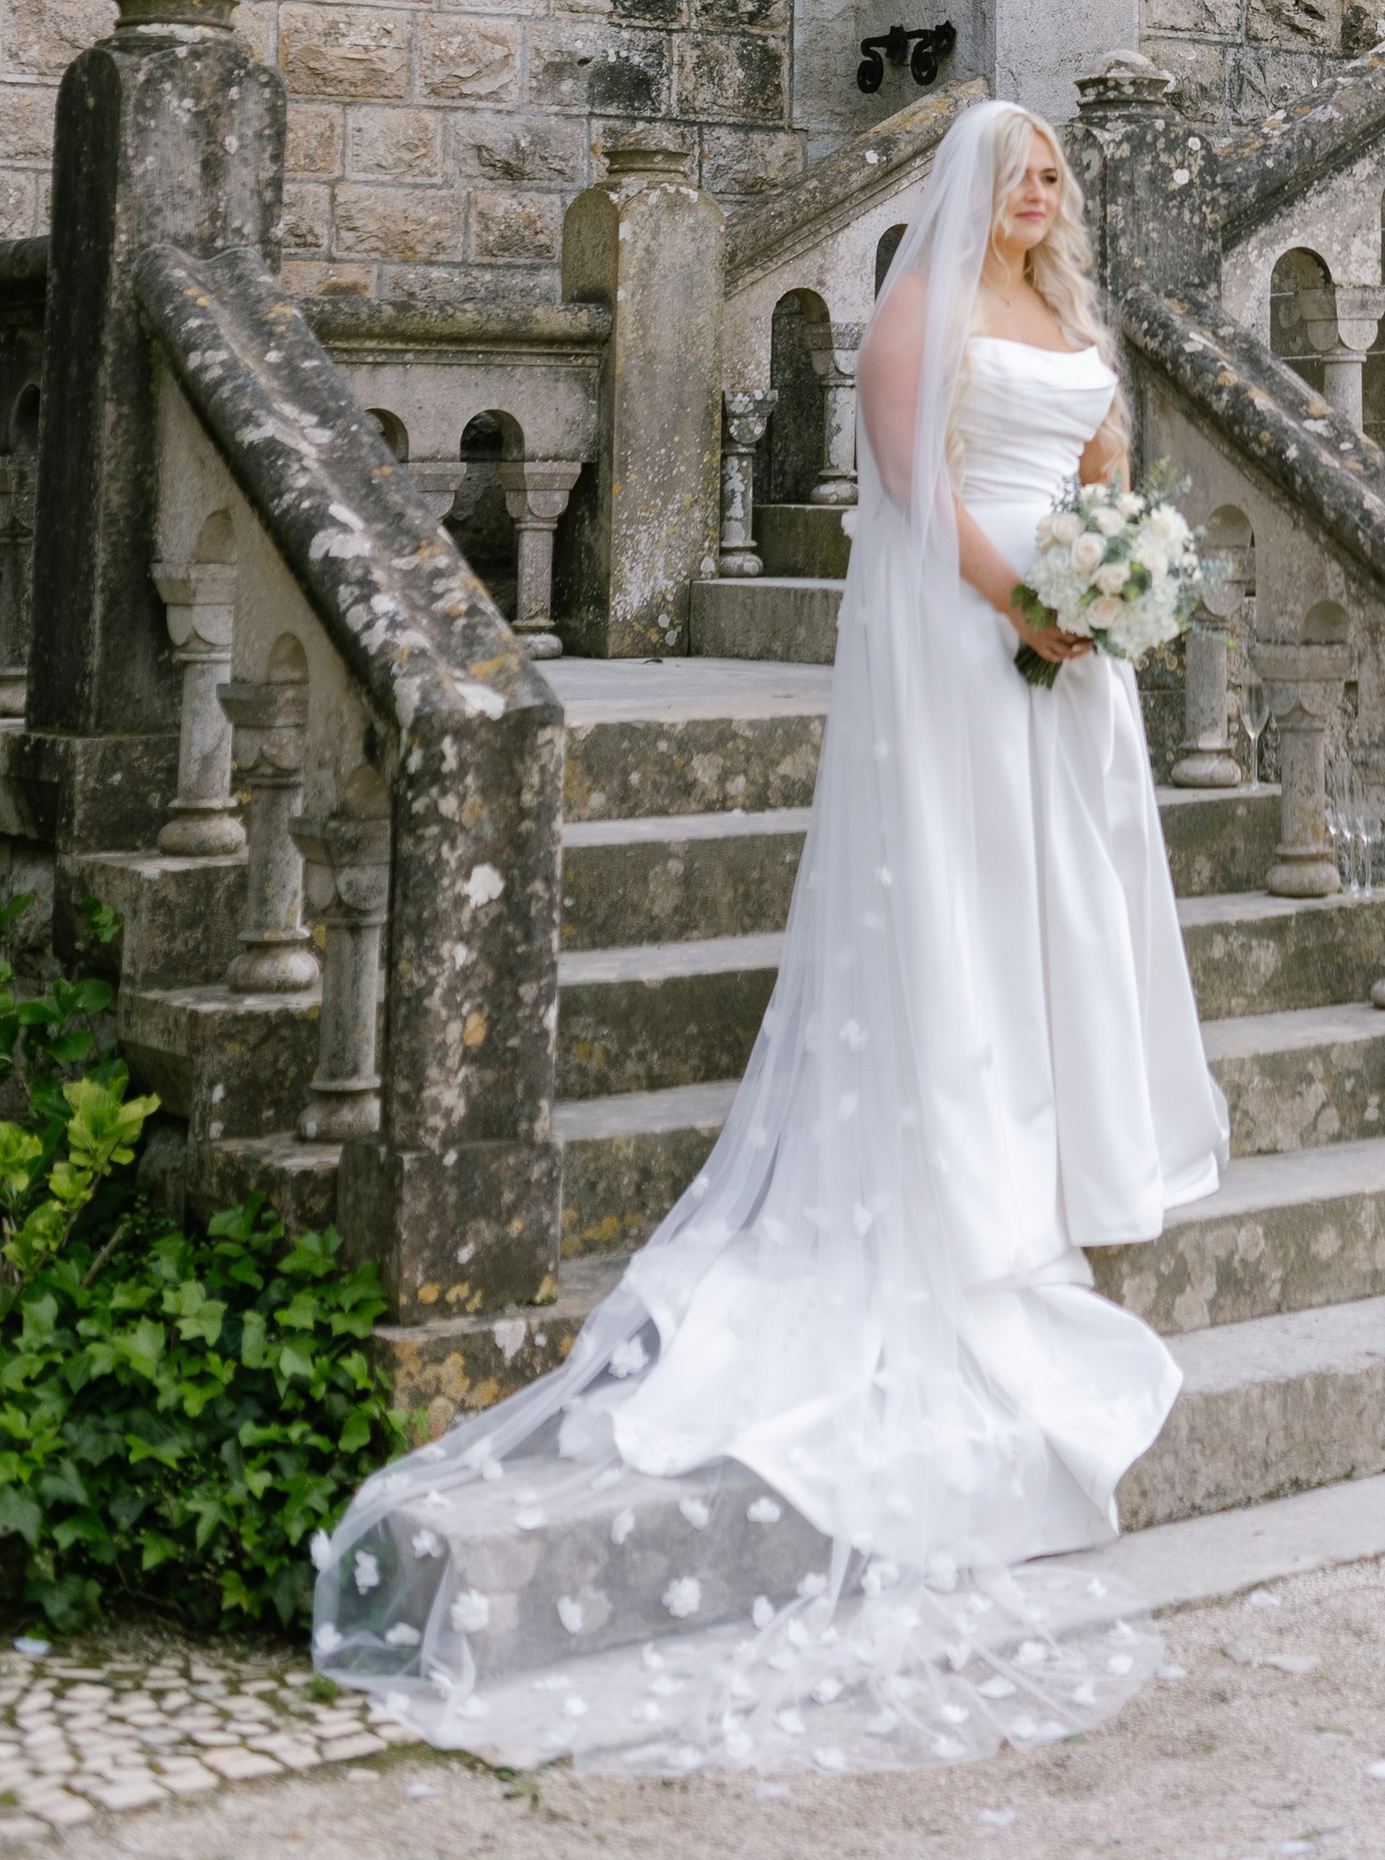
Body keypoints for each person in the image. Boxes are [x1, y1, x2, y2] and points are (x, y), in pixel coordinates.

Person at [312, 100, 1229, 1774]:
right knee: (964, 895)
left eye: (1053, 180)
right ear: (977, 191)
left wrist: (1114, 572)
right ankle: (958, 1177)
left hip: (1070, 653)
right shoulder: (916, 314)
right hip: (968, 642)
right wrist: (1022, 601)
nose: (1044, 194)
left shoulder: (1071, 315)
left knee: (1062, 901)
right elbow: (910, 495)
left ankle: (1069, 1154)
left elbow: (1102, 467)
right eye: (1026, 175)